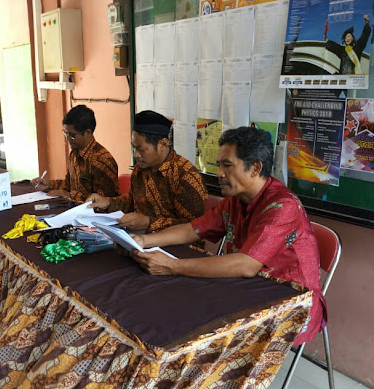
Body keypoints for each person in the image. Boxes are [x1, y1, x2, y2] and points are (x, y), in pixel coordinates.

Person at [129, 127, 325, 344]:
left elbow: (245, 265)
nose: (219, 173)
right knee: (175, 303)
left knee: (195, 322)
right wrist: (144, 240)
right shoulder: (235, 200)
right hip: (245, 288)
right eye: (219, 165)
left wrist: (171, 265)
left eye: (227, 165)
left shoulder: (283, 206)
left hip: (290, 302)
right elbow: (192, 230)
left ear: (255, 168)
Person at [87, 110, 207, 232]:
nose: (136, 155)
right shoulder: (141, 168)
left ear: (163, 144)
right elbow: (132, 201)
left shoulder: (185, 176)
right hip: (141, 239)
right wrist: (108, 202)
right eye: (134, 148)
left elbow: (195, 227)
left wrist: (149, 222)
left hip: (176, 248)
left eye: (141, 149)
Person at [31, 105, 119, 201]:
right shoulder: (75, 152)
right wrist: (50, 184)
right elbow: (69, 185)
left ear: (88, 133)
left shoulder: (102, 161)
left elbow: (103, 201)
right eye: (65, 133)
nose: (68, 139)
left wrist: (69, 195)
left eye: (72, 135)